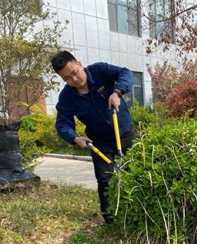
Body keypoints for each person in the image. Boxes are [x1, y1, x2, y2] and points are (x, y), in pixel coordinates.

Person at [51, 51, 135, 224]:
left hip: (124, 133)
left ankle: (137, 210)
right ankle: (110, 217)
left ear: (80, 64)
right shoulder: (67, 97)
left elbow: (125, 73)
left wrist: (117, 92)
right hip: (100, 142)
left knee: (135, 172)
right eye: (67, 78)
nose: (74, 79)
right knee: (105, 179)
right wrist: (75, 138)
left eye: (75, 72)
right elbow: (62, 124)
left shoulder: (100, 70)